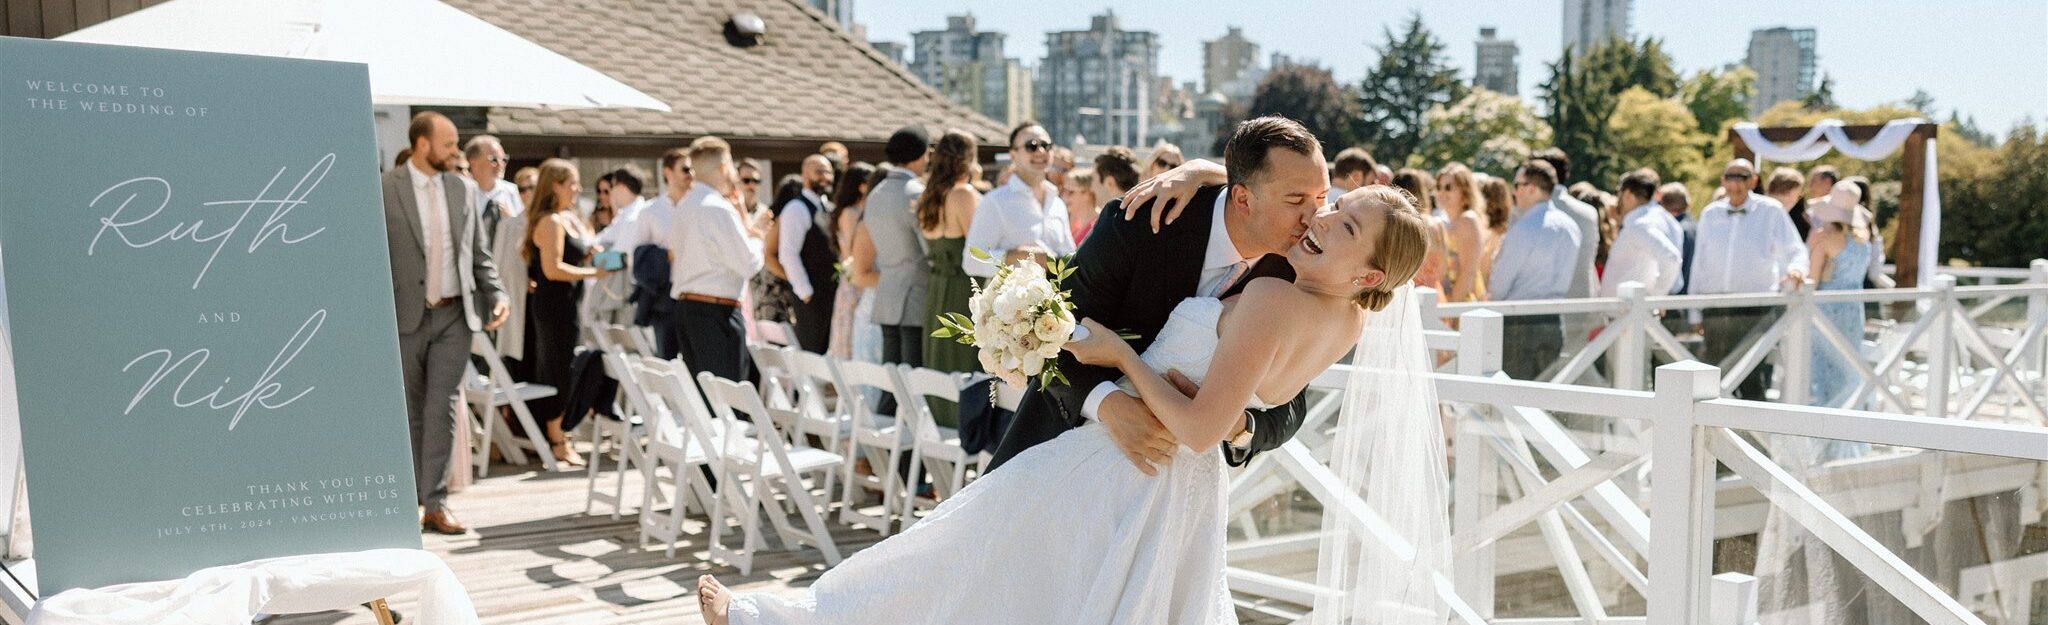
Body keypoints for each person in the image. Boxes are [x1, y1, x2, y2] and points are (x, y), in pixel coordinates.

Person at [698, 184, 1434, 625]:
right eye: (1328, 205)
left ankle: (780, 619)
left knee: (970, 555)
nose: (1318, 218)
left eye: (1339, 224)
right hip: (1178, 494)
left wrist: (1120, 358)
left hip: (1127, 465)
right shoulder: (1348, 318)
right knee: (1016, 578)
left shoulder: (1274, 294)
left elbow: (1205, 426)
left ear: (1368, 267)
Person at [988, 115, 1327, 477]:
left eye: (1322, 198)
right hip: (1057, 459)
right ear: (1243, 198)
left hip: (1177, 485)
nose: (1315, 217)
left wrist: (1238, 426)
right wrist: (1108, 405)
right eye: (1296, 200)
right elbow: (1054, 331)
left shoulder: (1302, 272)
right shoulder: (1137, 222)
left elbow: (1291, 405)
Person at [381, 112, 508, 535]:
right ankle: (413, 502)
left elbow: (479, 253)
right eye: (449, 143)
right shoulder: (384, 188)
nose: (457, 151)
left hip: (457, 314)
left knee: (443, 406)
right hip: (405, 315)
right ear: (422, 144)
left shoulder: (463, 188)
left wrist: (497, 293)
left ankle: (436, 503)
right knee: (410, 410)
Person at [1689, 158, 1808, 401]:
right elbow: (1699, 264)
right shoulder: (1710, 213)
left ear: (1753, 180)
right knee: (1714, 375)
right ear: (1723, 180)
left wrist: (1796, 270)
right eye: (1730, 176)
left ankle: (1755, 437)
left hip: (1754, 308)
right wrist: (1694, 310)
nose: (1736, 183)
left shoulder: (1770, 210)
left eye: (1742, 176)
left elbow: (1795, 249)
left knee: (1752, 375)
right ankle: (1715, 434)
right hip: (1715, 306)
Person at [522, 158, 602, 467]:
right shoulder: (550, 221)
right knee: (557, 368)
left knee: (569, 366)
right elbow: (552, 270)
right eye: (572, 183)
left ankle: (561, 433)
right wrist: (592, 273)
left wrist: (591, 256)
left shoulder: (567, 218)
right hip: (554, 307)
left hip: (569, 305)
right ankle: (557, 440)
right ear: (555, 185)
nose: (578, 189)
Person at [667, 137, 766, 382]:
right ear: (723, 167)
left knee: (705, 401)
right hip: (716, 312)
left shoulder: (683, 206)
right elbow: (748, 264)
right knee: (728, 403)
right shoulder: (717, 208)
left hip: (688, 309)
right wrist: (758, 237)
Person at [1487, 159, 1582, 380]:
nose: (1514, 192)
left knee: (1514, 400)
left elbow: (1499, 285)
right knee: (1545, 398)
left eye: (1517, 185)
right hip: (1554, 320)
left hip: (1519, 321)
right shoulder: (1570, 226)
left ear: (1531, 188)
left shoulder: (1525, 228)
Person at [1805, 183, 1874, 450]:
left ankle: (1824, 445)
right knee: (1848, 375)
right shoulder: (1863, 238)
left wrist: (1810, 247)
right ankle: (1849, 442)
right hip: (1853, 309)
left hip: (1826, 310)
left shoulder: (1824, 237)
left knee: (1822, 373)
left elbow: (1812, 278)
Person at [965, 121, 1076, 279]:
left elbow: (1069, 258)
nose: (1040, 151)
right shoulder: (995, 202)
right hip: (1012, 302)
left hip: (1055, 300)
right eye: (1031, 146)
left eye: (1046, 145)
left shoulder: (1057, 203)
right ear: (1013, 154)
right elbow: (971, 262)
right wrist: (1019, 255)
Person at [863, 126, 932, 372]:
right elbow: (929, 249)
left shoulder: (875, 194)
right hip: (916, 296)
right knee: (913, 381)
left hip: (887, 293)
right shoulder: (917, 192)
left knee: (891, 381)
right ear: (919, 154)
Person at [917, 130, 984, 383]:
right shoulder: (962, 194)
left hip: (937, 290)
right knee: (963, 358)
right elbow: (979, 247)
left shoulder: (928, 197)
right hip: (962, 289)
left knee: (941, 360)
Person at [466, 136, 529, 371]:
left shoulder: (511, 193)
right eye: (493, 158)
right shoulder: (463, 192)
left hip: (502, 279)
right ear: (473, 162)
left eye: (503, 158)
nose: (500, 164)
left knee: (499, 343)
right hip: (469, 280)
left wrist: (510, 221)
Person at [629, 148, 691, 358]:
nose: (691, 174)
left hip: (696, 294)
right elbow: (636, 259)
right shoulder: (650, 211)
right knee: (668, 362)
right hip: (665, 298)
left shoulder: (700, 207)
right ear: (668, 172)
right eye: (685, 168)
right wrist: (665, 257)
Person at [778, 154, 840, 353]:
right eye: (819, 171)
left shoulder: (829, 208)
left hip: (830, 294)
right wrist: (805, 292)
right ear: (805, 175)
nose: (825, 177)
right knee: (811, 352)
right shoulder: (796, 208)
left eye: (829, 172)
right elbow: (788, 253)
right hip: (811, 296)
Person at [1600, 168, 1683, 298]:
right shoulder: (1643, 222)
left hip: (1631, 314)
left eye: (1619, 194)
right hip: (1628, 313)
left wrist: (1655, 298)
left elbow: (1671, 258)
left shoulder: (1639, 225)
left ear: (1627, 194)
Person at [827, 162, 879, 360]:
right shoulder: (850, 213)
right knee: (848, 331)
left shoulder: (858, 211)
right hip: (853, 280)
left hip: (856, 276)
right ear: (861, 185)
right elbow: (852, 249)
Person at [1435, 163, 1490, 302]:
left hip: (1465, 302)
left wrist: (1450, 309)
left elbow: (1468, 272)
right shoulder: (1451, 221)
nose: (1442, 192)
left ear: (1464, 190)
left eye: (1448, 187)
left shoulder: (1468, 220)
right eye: (1439, 187)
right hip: (1454, 301)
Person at [1391, 168, 1447, 294]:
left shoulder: (1395, 226)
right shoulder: (1437, 225)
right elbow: (1443, 267)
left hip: (1404, 292)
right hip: (1434, 292)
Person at [1766, 167, 1811, 240]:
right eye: (1799, 191)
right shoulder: (1776, 212)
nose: (1800, 196)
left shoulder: (1758, 207)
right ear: (1791, 189)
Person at [1060, 167, 1099, 245]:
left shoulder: (1099, 225)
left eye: (1070, 191)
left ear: (1088, 193)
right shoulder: (1076, 225)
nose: (1064, 195)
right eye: (1064, 190)